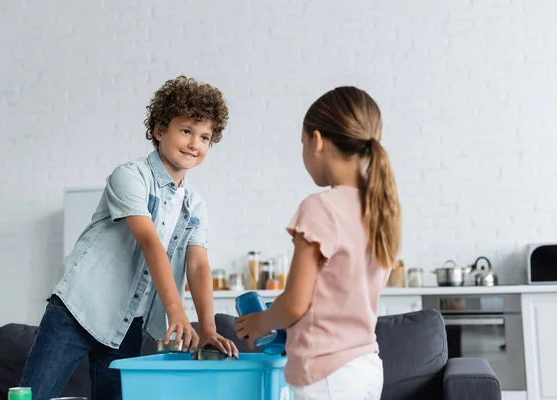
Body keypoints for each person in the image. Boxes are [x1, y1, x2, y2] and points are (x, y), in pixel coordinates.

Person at [21, 76, 239, 400]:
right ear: (160, 129)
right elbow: (150, 243)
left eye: (205, 136)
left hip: (127, 323)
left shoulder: (195, 206)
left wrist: (207, 327)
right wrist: (175, 310)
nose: (195, 143)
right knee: (31, 395)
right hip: (78, 309)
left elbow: (198, 266)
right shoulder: (129, 177)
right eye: (186, 131)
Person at [235, 86, 401, 400]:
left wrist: (261, 321)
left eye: (302, 143)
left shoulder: (319, 208)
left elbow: (295, 303)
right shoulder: (380, 209)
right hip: (365, 366)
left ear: (317, 141)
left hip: (326, 373)